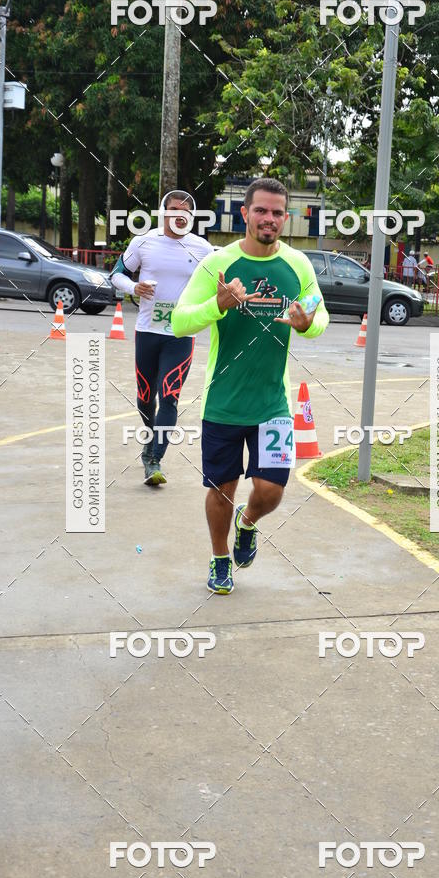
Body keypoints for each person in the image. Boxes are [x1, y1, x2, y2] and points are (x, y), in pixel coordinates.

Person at [171, 178, 329, 595]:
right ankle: (219, 559)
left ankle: (249, 523)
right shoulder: (217, 264)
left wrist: (308, 322)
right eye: (261, 210)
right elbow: (179, 321)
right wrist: (217, 306)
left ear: (285, 218)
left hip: (272, 403)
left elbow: (319, 313)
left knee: (271, 489)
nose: (270, 219)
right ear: (244, 213)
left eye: (278, 212)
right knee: (221, 490)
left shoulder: (298, 265)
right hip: (223, 402)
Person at [110, 191, 213, 485]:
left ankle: (154, 459)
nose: (178, 215)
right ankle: (150, 437)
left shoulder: (203, 248)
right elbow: (117, 274)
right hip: (147, 331)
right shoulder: (144, 242)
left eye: (185, 211)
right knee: (145, 398)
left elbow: (220, 278)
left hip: (181, 333)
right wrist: (134, 287)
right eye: (172, 210)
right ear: (162, 212)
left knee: (169, 396)